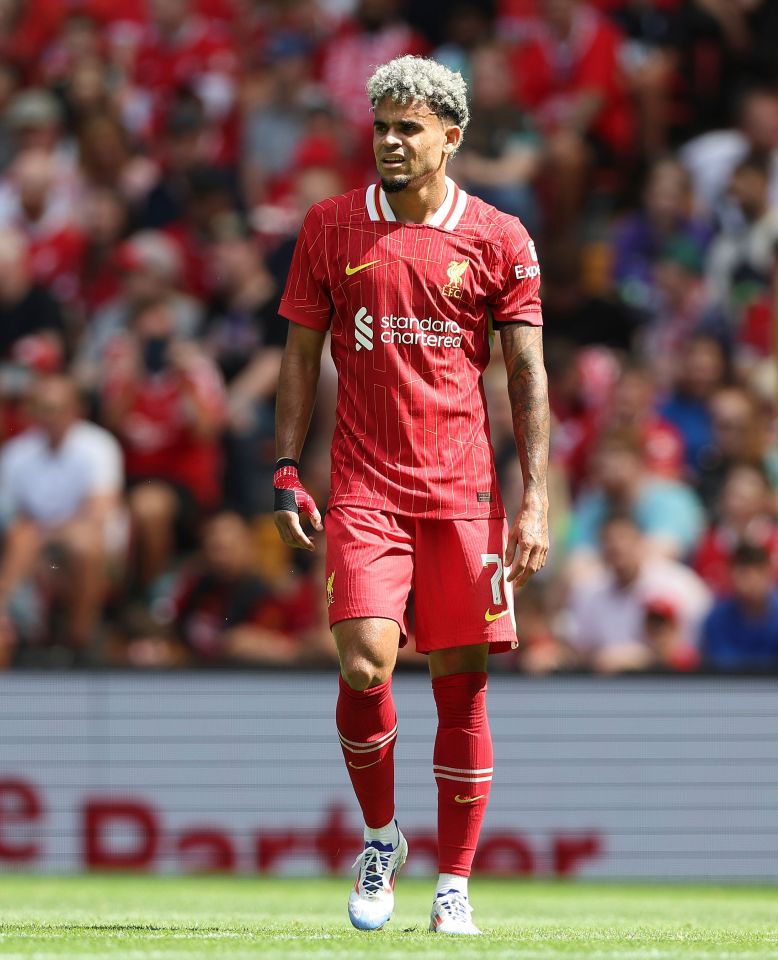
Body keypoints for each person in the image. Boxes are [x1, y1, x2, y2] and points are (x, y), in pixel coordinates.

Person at [272, 56, 549, 935]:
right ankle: (384, 836)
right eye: (381, 127)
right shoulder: (329, 227)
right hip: (363, 487)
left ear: (451, 138)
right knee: (364, 662)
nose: (390, 142)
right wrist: (286, 467)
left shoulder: (500, 236)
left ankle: (455, 884)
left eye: (410, 129)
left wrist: (535, 500)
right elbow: (297, 357)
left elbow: (527, 375)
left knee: (462, 691)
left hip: (464, 494)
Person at [0, 374, 124, 661]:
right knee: (21, 537)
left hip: (90, 547)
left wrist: (40, 538)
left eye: (56, 408)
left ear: (75, 410)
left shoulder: (99, 445)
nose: (49, 416)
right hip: (34, 548)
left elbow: (97, 515)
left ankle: (79, 641)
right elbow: (9, 514)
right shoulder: (16, 453)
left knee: (81, 542)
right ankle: (15, 626)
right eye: (42, 408)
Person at [567, 511, 711, 673]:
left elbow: (693, 650)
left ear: (640, 541)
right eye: (608, 540)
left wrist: (642, 658)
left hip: (667, 683)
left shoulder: (678, 585)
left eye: (623, 538)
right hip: (607, 689)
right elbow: (580, 650)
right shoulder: (588, 591)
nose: (616, 546)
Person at [700, 541, 778, 671]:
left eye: (755, 573)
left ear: (768, 572)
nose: (748, 582)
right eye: (742, 573)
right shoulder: (715, 620)